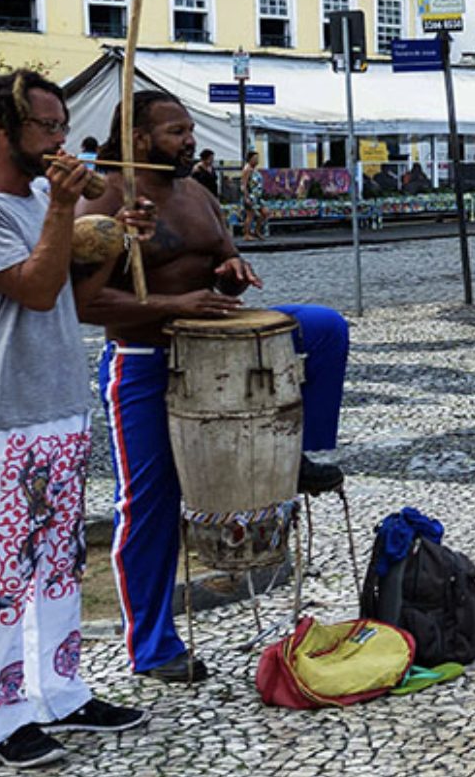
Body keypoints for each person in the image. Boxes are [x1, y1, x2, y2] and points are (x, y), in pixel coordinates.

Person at [74, 92, 350, 683]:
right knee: (148, 504)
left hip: (218, 343)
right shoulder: (104, 196)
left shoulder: (197, 192)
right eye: (176, 131)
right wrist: (174, 304)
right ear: (139, 137)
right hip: (146, 358)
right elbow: (84, 304)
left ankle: (301, 456)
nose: (189, 140)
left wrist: (232, 273)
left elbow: (226, 264)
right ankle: (153, 646)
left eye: (189, 129)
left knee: (325, 328)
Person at [0, 71, 152, 766]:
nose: (63, 140)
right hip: (2, 423)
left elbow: (72, 300)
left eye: (64, 126)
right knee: (1, 578)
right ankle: (2, 720)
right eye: (49, 126)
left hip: (61, 409)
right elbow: (32, 291)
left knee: (59, 568)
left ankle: (61, 691)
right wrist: (64, 207)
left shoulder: (37, 197)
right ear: (6, 129)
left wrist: (116, 242)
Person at [240, 149, 269, 241]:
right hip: (251, 195)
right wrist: (247, 197)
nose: (257, 160)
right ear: (250, 159)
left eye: (257, 158)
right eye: (255, 158)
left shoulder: (254, 169)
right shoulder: (247, 169)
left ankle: (256, 230)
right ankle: (247, 234)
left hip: (258, 196)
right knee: (250, 215)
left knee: (265, 212)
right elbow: (244, 185)